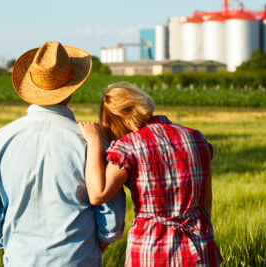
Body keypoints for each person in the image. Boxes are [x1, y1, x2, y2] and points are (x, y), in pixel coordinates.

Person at [0, 41, 125, 267]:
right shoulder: (91, 142)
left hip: (19, 259)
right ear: (72, 89)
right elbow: (111, 215)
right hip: (79, 259)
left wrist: (12, 243)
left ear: (32, 87)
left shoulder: (1, 139)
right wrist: (93, 246)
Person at [78, 82, 222, 266]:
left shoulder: (129, 147)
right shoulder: (196, 137)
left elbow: (98, 194)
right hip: (199, 249)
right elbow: (206, 202)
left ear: (116, 120)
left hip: (152, 251)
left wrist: (94, 141)